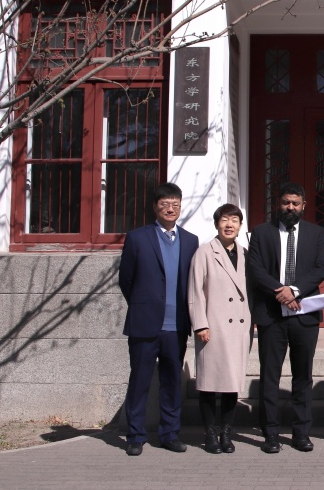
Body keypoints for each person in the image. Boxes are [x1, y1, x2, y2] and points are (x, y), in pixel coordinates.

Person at [118, 182, 199, 456]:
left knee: (172, 383)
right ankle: (135, 436)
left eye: (175, 204)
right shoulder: (137, 237)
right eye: (165, 204)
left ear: (180, 206)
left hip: (177, 325)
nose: (170, 208)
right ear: (155, 207)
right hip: (145, 323)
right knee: (140, 381)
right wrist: (143, 305)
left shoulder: (191, 240)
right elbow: (126, 279)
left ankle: (169, 434)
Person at [246, 182, 324, 454]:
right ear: (277, 204)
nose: (290, 207)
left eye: (295, 203)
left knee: (302, 376)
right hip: (272, 316)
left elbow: (320, 268)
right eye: (285, 203)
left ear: (304, 205)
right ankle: (270, 434)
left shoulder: (315, 233)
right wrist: (279, 291)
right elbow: (255, 268)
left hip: (304, 315)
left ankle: (301, 433)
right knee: (270, 376)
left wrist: (293, 290)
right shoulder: (261, 232)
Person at [188, 203, 250, 454]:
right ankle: (210, 433)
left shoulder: (245, 253)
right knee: (209, 383)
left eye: (234, 220)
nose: (229, 225)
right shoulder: (204, 252)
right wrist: (200, 324)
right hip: (213, 327)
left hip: (238, 329)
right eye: (224, 220)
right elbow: (195, 291)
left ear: (240, 225)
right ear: (216, 224)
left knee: (231, 384)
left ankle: (226, 432)